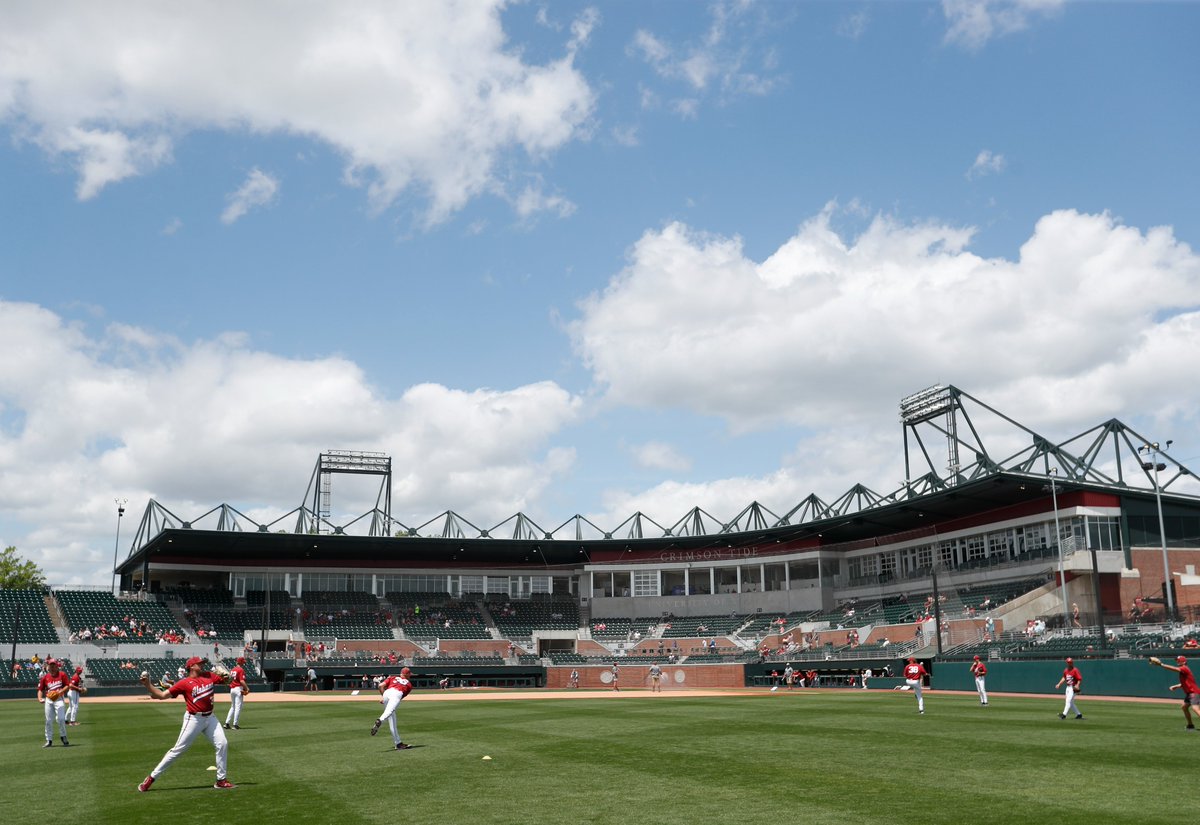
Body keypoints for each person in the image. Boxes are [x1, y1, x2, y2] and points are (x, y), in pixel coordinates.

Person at [136, 656, 235, 791]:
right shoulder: (184, 683)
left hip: (210, 717)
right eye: (199, 663)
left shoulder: (209, 675)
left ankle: (221, 780)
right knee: (178, 750)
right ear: (191, 666)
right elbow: (162, 695)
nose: (202, 665)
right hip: (193, 719)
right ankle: (151, 778)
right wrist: (148, 684)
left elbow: (228, 681)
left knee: (222, 743)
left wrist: (227, 676)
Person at [370, 666, 414, 750]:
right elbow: (400, 696)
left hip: (387, 692)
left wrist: (384, 697)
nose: (410, 675)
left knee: (392, 720)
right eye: (409, 674)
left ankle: (398, 743)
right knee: (389, 711)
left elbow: (381, 685)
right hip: (397, 693)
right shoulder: (409, 684)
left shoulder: (392, 677)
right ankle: (380, 720)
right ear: (407, 675)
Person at [1151, 655, 1199, 730]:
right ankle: (1190, 725)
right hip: (1189, 693)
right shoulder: (1183, 671)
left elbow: (1174, 669)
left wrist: (1161, 664)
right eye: (1177, 660)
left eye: (1179, 660)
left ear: (1184, 662)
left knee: (1195, 709)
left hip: (1193, 693)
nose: (1177, 661)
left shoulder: (1184, 668)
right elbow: (1185, 683)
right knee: (1184, 707)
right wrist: (1176, 686)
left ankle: (1190, 725)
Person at [37, 658, 71, 747]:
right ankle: (49, 740)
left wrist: (60, 692)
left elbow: (67, 686)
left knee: (61, 719)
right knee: (48, 720)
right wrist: (40, 698)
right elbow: (40, 689)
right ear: (48, 667)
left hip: (59, 699)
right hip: (49, 700)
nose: (52, 667)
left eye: (54, 665)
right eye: (50, 665)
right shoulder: (45, 677)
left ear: (57, 666)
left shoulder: (62, 674)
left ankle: (63, 736)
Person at [224, 657, 249, 730]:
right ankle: (235, 724)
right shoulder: (240, 670)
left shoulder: (233, 669)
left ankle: (227, 723)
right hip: (238, 688)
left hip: (232, 689)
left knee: (233, 706)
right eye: (243, 662)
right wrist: (247, 688)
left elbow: (230, 680)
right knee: (238, 707)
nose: (244, 663)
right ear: (240, 662)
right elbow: (242, 681)